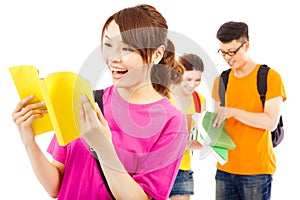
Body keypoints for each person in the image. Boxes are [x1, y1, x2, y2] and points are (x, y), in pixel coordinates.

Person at [12, 4, 188, 200]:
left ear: (156, 54)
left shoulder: (172, 122)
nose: (113, 58)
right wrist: (28, 141)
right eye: (108, 45)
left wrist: (103, 147)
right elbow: (56, 186)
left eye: (127, 48)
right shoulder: (85, 101)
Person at [211, 21, 286, 200]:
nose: (228, 58)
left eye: (232, 52)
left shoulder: (269, 77)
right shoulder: (221, 80)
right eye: (223, 52)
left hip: (256, 171)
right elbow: (216, 123)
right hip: (224, 169)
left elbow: (270, 122)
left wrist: (233, 112)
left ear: (246, 46)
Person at [169, 53, 206, 200]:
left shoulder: (199, 100)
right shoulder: (164, 96)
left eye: (197, 80)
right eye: (188, 79)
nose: (192, 84)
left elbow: (200, 140)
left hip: (182, 169)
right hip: (156, 168)